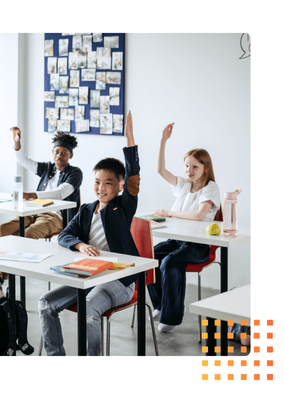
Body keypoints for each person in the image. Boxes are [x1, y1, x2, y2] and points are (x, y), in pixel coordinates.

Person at [38, 111, 138, 356]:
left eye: (108, 183)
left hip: (119, 279)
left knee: (88, 310)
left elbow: (134, 175)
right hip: (86, 274)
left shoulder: (123, 207)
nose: (101, 188)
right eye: (97, 182)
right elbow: (64, 236)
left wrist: (130, 140)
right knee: (45, 303)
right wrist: (81, 246)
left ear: (120, 186)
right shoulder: (85, 210)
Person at [0, 128, 83, 300]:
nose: (59, 156)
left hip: (55, 217)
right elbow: (23, 160)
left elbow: (61, 192)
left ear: (71, 155)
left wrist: (32, 194)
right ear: (53, 153)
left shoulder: (75, 173)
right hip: (33, 211)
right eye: (57, 152)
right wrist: (17, 142)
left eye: (64, 153)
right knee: (4, 229)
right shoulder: (47, 168)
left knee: (27, 235)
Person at [147, 122, 221, 333]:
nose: (189, 170)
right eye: (187, 166)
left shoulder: (211, 188)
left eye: (195, 167)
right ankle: (161, 306)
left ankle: (171, 317)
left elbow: (199, 216)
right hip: (178, 240)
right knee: (149, 257)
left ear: (206, 168)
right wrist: (163, 141)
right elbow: (160, 170)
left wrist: (169, 213)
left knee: (170, 262)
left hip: (199, 245)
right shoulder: (183, 185)